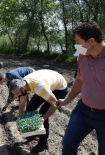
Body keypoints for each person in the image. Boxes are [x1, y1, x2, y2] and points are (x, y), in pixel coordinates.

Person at [58, 21, 105, 155]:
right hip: (83, 111)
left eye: (78, 42)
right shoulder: (82, 56)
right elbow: (80, 79)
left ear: (90, 41)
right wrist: (66, 100)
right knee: (68, 143)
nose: (76, 46)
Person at [8, 69, 68, 154]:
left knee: (42, 114)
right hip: (47, 83)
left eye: (17, 93)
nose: (15, 96)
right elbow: (22, 104)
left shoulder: (40, 88)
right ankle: (35, 132)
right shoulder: (23, 85)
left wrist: (44, 118)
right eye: (14, 94)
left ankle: (43, 144)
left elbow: (55, 104)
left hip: (60, 88)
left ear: (22, 88)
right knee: (30, 108)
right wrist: (21, 119)